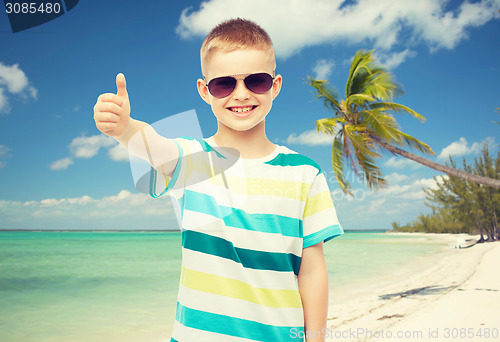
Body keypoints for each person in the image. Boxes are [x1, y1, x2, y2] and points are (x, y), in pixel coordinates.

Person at [94, 18, 343, 342]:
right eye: (224, 84)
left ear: (275, 85)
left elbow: (312, 272)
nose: (241, 94)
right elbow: (156, 147)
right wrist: (125, 129)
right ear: (204, 90)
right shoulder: (194, 162)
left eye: (256, 81)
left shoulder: (304, 173)